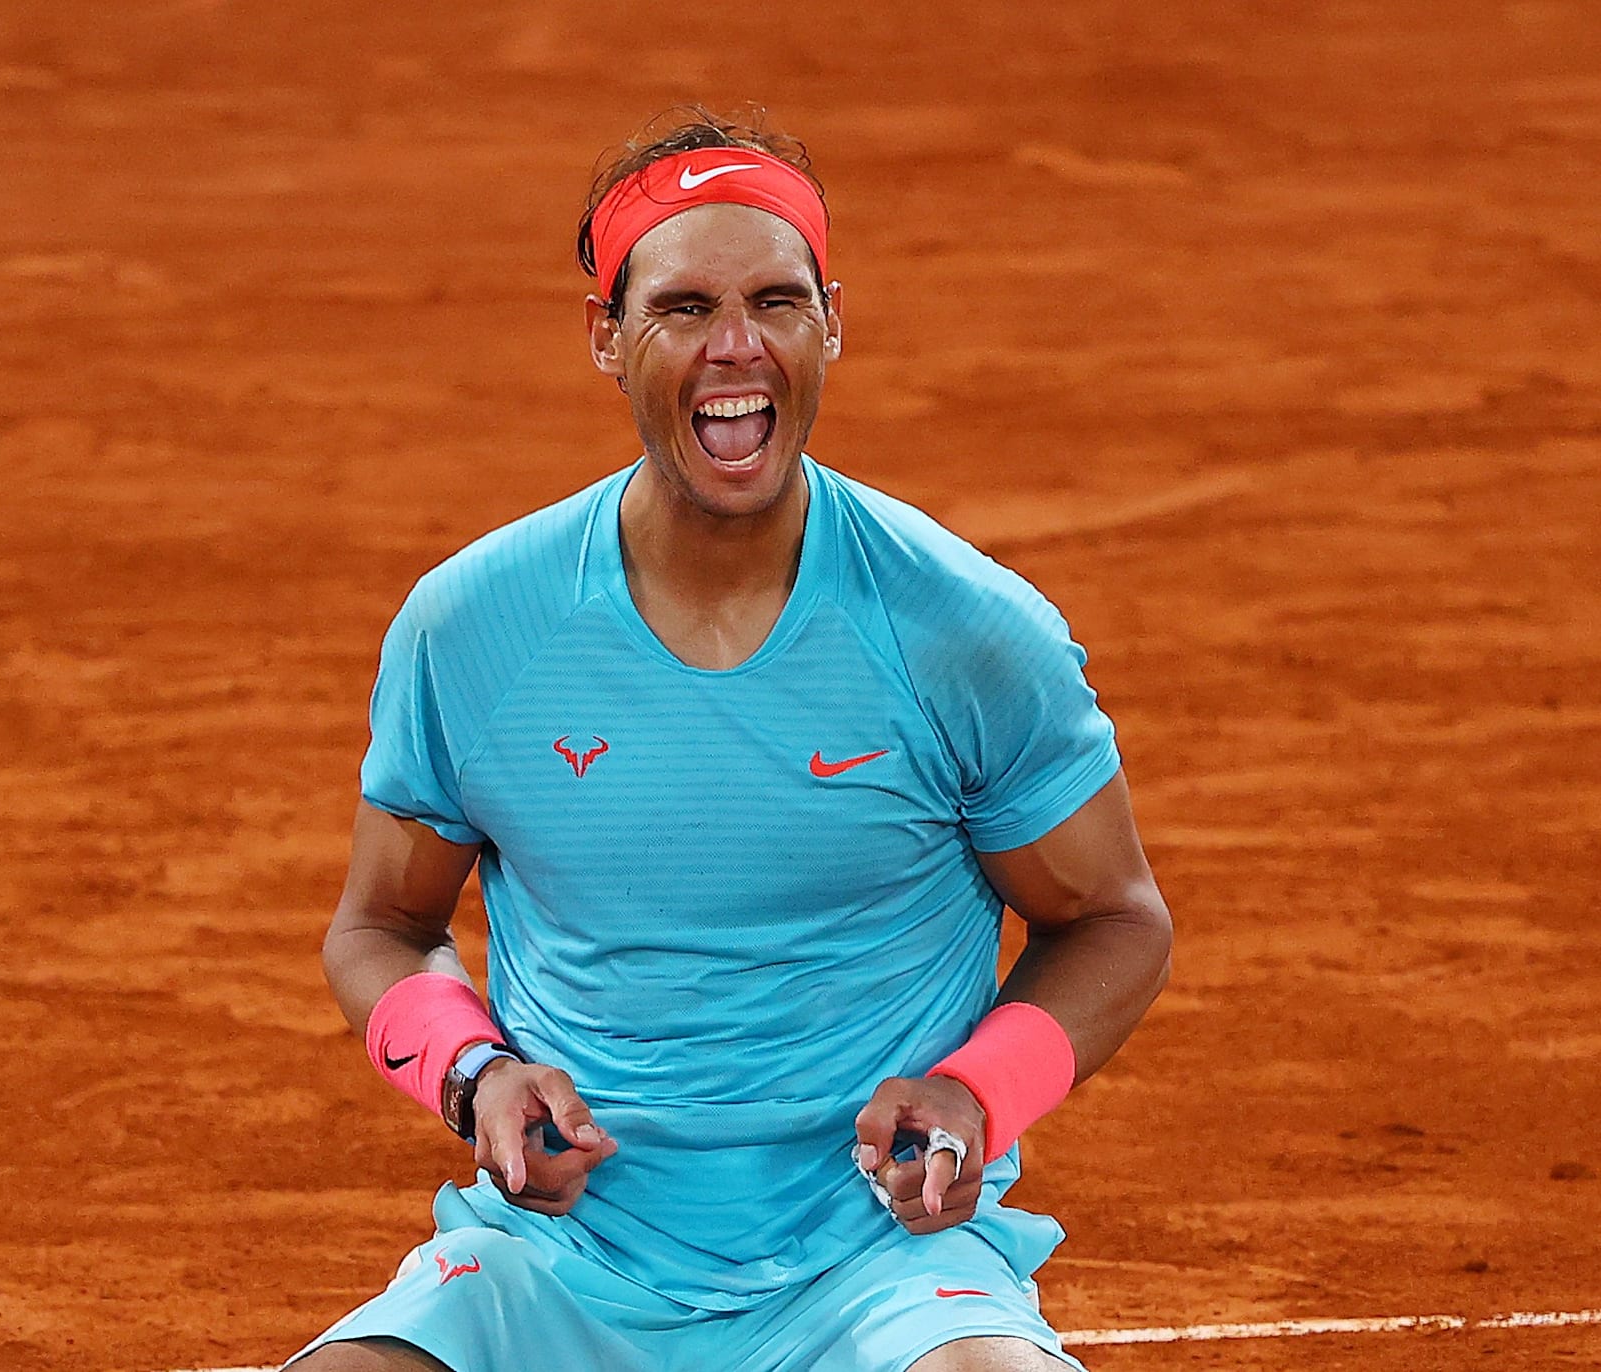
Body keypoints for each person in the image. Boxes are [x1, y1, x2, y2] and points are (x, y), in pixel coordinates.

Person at [294, 109, 1174, 1372]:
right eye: (682, 307)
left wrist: (979, 1091)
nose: (735, 346)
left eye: (775, 299)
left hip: (883, 1269)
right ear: (605, 334)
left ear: (832, 322)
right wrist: (473, 1074)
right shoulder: (474, 627)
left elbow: (1114, 916)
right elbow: (380, 923)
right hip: (555, 1264)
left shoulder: (964, 632)